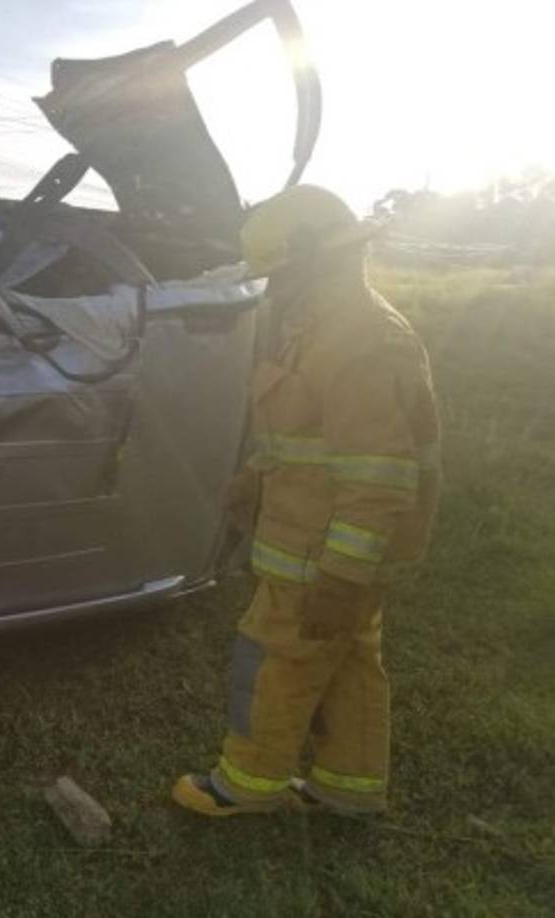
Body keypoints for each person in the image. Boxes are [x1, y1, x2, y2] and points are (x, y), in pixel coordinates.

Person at [172, 185, 441, 818]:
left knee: (272, 661)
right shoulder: (323, 328)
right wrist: (254, 476)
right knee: (347, 663)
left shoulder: (362, 343)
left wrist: (342, 576)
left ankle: (243, 785)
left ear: (318, 263)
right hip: (321, 549)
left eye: (280, 276)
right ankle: (347, 789)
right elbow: (305, 436)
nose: (272, 292)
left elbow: (379, 477)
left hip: (320, 558)